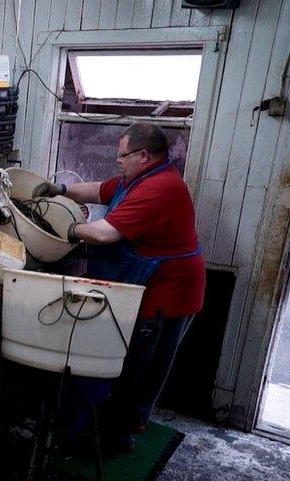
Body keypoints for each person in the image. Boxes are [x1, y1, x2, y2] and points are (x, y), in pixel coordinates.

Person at [33, 122, 205, 452]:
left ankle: (118, 438)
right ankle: (111, 425)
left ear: (143, 155)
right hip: (146, 286)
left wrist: (66, 229)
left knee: (141, 369)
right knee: (131, 364)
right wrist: (60, 190)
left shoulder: (159, 188)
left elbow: (104, 234)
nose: (117, 160)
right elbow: (100, 190)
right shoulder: (138, 178)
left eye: (121, 155)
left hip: (167, 295)